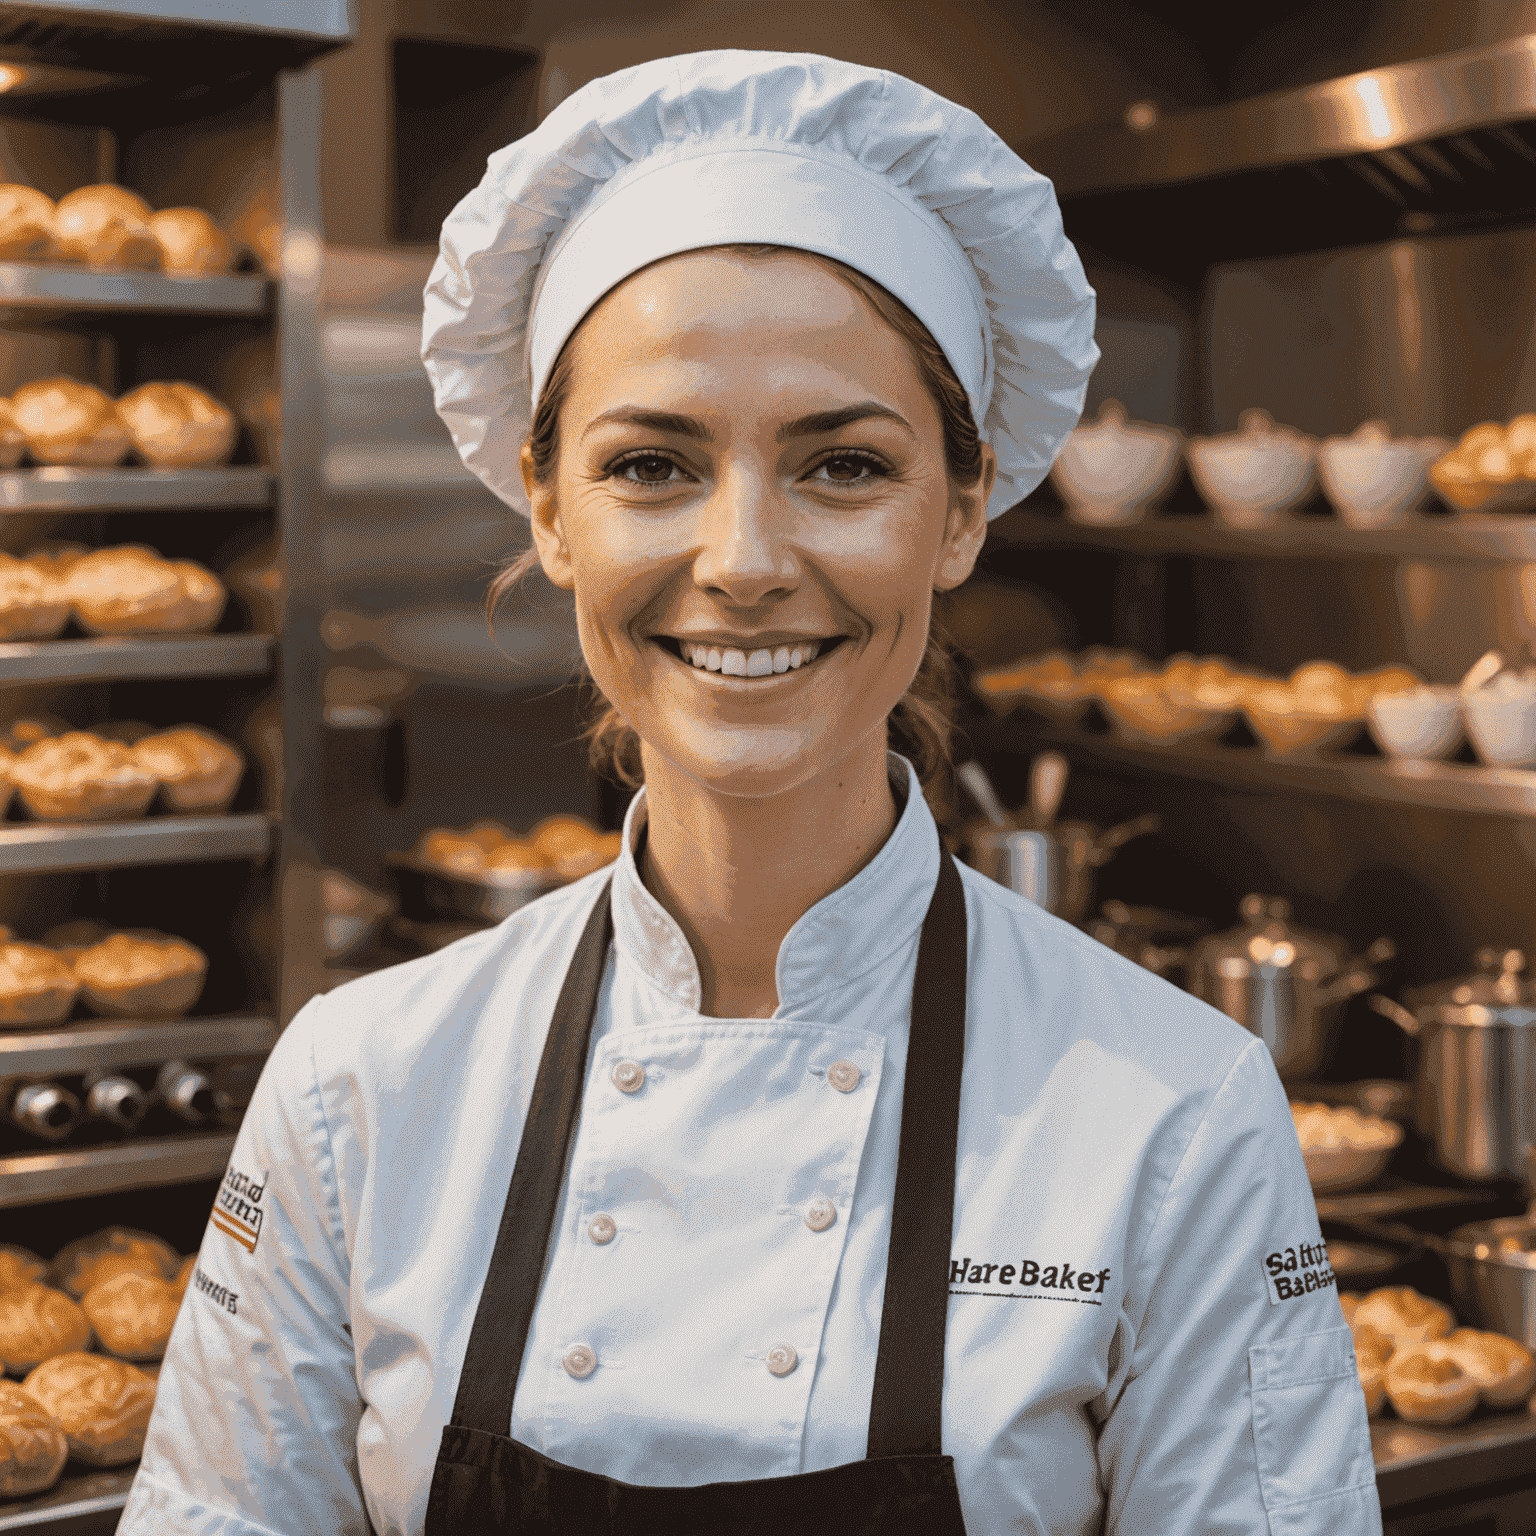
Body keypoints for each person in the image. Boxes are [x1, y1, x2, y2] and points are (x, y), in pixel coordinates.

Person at [121, 50, 1380, 1536]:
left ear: (961, 510)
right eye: (651, 463)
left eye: (844, 466)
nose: (742, 561)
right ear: (549, 507)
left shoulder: (1175, 1113)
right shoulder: (361, 1089)